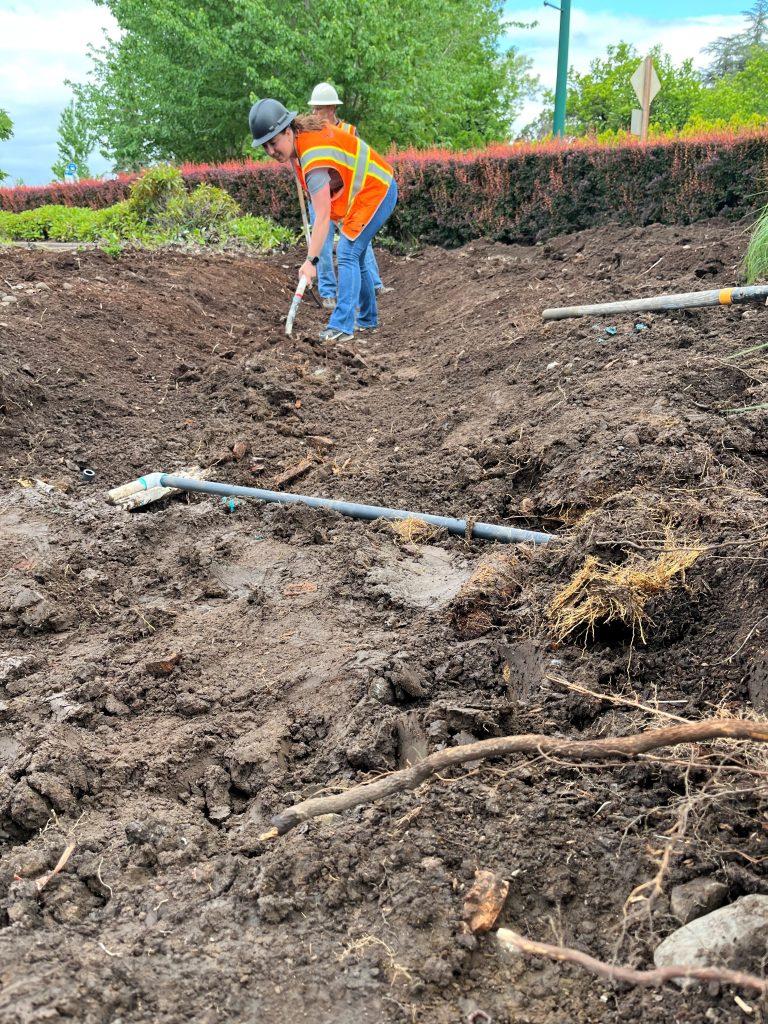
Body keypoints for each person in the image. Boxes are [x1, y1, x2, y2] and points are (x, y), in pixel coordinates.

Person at [249, 98, 398, 345]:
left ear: (287, 131)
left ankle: (341, 326)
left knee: (348, 252)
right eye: (265, 147)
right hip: (373, 190)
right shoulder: (301, 142)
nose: (270, 152)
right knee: (356, 254)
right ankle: (368, 319)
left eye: (273, 143)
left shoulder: (313, 157)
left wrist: (311, 261)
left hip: (378, 191)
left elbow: (322, 216)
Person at [307, 82, 385, 306]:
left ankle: (375, 284)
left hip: (348, 197)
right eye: (313, 109)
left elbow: (361, 161)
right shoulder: (312, 135)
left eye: (319, 109)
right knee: (321, 243)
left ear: (332, 108)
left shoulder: (350, 132)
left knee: (360, 240)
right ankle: (328, 292)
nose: (314, 113)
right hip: (322, 197)